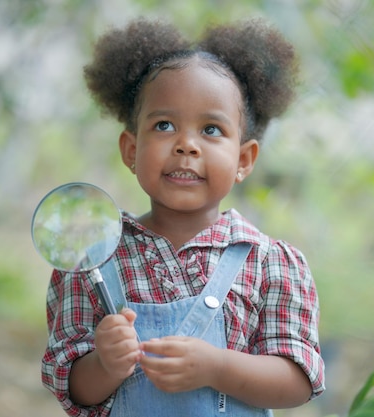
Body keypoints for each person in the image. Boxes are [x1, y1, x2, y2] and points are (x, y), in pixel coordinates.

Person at [41, 17, 325, 417]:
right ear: (131, 149)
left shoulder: (270, 263)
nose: (186, 145)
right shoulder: (93, 260)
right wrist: (104, 365)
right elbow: (72, 388)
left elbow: (298, 380)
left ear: (244, 160)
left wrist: (218, 367)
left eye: (211, 129)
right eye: (165, 125)